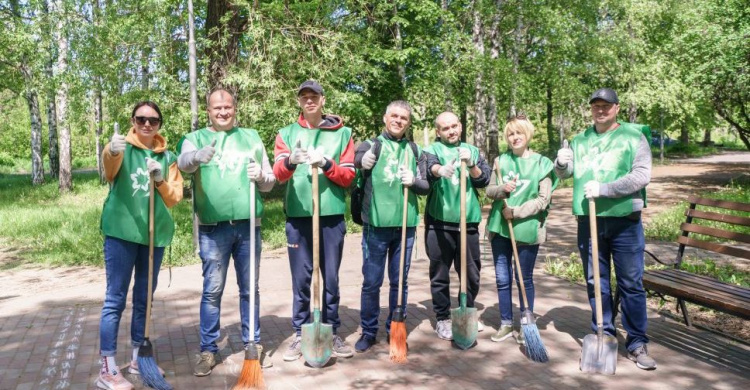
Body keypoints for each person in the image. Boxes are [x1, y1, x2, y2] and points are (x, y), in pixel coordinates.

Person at [554, 88, 656, 370]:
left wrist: (605, 189)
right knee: (595, 281)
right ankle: (604, 332)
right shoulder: (580, 140)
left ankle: (636, 342)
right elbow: (566, 174)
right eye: (596, 106)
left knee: (631, 283)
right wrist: (561, 163)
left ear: (617, 108)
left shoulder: (634, 137)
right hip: (589, 220)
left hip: (625, 221)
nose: (601, 110)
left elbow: (642, 175)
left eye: (606, 106)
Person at [177, 88, 276, 376]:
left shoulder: (252, 137)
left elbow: (269, 182)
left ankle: (253, 343)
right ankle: (208, 349)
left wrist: (260, 176)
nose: (223, 112)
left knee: (249, 288)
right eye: (217, 108)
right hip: (212, 228)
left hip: (248, 226)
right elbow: (183, 164)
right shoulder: (194, 139)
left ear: (235, 108)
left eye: (228, 107)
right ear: (208, 110)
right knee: (212, 290)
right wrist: (197, 156)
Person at [98, 101, 184, 390]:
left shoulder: (168, 156)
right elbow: (110, 171)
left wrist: (160, 178)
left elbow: (174, 197)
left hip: (153, 237)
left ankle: (138, 358)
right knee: (115, 300)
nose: (147, 124)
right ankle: (107, 368)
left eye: (153, 120)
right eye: (141, 119)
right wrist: (111, 151)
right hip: (122, 234)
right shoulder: (122, 147)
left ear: (160, 123)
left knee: (144, 299)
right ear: (132, 120)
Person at [273, 80, 356, 361]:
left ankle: (331, 331)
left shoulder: (342, 134)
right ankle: (300, 333)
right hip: (298, 215)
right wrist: (291, 162)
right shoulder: (286, 134)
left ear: (323, 100)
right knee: (301, 279)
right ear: (299, 101)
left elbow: (348, 176)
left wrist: (327, 164)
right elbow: (278, 174)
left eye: (314, 96)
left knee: (330, 278)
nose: (309, 101)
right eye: (304, 97)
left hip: (330, 215)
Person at [352, 100, 430, 352]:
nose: (398, 121)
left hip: (405, 228)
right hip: (375, 226)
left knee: (400, 282)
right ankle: (368, 331)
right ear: (385, 118)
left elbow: (426, 185)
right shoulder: (371, 144)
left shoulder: (414, 150)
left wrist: (415, 182)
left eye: (404, 118)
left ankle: (395, 328)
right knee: (372, 281)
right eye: (394, 116)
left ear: (409, 123)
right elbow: (357, 159)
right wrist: (363, 161)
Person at [485, 114, 558, 344]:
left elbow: (543, 200)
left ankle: (527, 324)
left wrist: (515, 212)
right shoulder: (500, 161)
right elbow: (489, 191)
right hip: (500, 228)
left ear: (528, 134)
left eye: (519, 133)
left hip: (526, 228)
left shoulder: (541, 163)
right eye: (510, 134)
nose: (515, 137)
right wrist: (502, 190)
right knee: (502, 278)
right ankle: (506, 323)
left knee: (523, 278)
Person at [423, 111, 491, 341]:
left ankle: (467, 310)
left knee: (471, 273)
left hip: (468, 222)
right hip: (439, 222)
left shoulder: (472, 150)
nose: (451, 131)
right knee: (440, 274)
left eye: (454, 126)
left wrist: (472, 165)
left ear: (460, 126)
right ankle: (442, 318)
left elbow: (484, 181)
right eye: (445, 128)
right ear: (438, 131)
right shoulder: (432, 150)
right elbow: (428, 169)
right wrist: (439, 170)